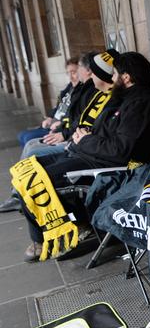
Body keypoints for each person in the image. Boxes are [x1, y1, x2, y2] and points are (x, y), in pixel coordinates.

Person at [19, 50, 150, 261]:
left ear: (126, 78)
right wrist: (82, 136)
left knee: (34, 180)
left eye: (114, 74)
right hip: (87, 152)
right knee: (28, 167)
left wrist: (85, 140)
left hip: (99, 163)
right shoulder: (125, 98)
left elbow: (119, 150)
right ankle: (78, 224)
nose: (111, 79)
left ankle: (44, 239)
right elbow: (107, 131)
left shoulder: (140, 102)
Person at [0, 52, 103, 213]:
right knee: (30, 145)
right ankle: (17, 195)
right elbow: (77, 117)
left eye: (77, 70)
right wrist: (63, 129)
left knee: (33, 151)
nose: (73, 75)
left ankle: (20, 197)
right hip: (75, 140)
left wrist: (65, 133)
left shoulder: (95, 91)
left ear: (88, 70)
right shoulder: (84, 88)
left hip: (79, 146)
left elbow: (86, 123)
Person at [16, 58, 79, 147]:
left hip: (61, 127)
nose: (70, 77)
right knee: (21, 135)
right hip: (52, 123)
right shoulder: (68, 88)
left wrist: (61, 122)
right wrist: (49, 117)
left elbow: (77, 115)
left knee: (28, 139)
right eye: (68, 73)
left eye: (73, 72)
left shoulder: (82, 91)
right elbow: (58, 106)